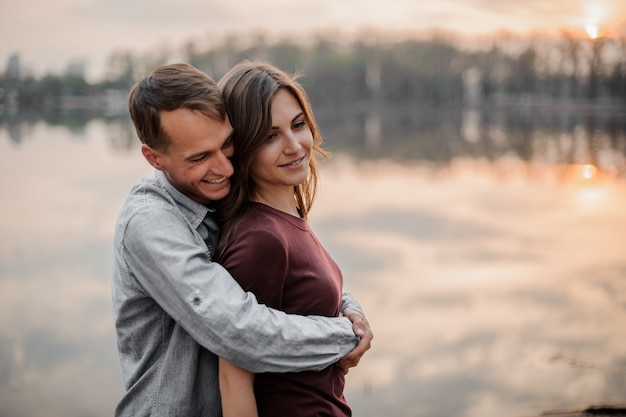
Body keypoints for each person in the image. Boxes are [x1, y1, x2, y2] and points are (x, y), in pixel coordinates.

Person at [112, 63, 373, 417]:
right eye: (200, 157)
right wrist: (344, 336)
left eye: (227, 144)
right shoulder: (149, 224)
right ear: (154, 158)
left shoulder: (222, 193)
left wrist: (348, 306)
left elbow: (297, 276)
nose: (226, 168)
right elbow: (239, 332)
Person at [216, 60, 362, 416]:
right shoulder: (260, 240)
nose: (294, 145)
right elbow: (233, 378)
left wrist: (349, 309)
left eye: (298, 125)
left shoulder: (289, 216)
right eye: (270, 136)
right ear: (242, 148)